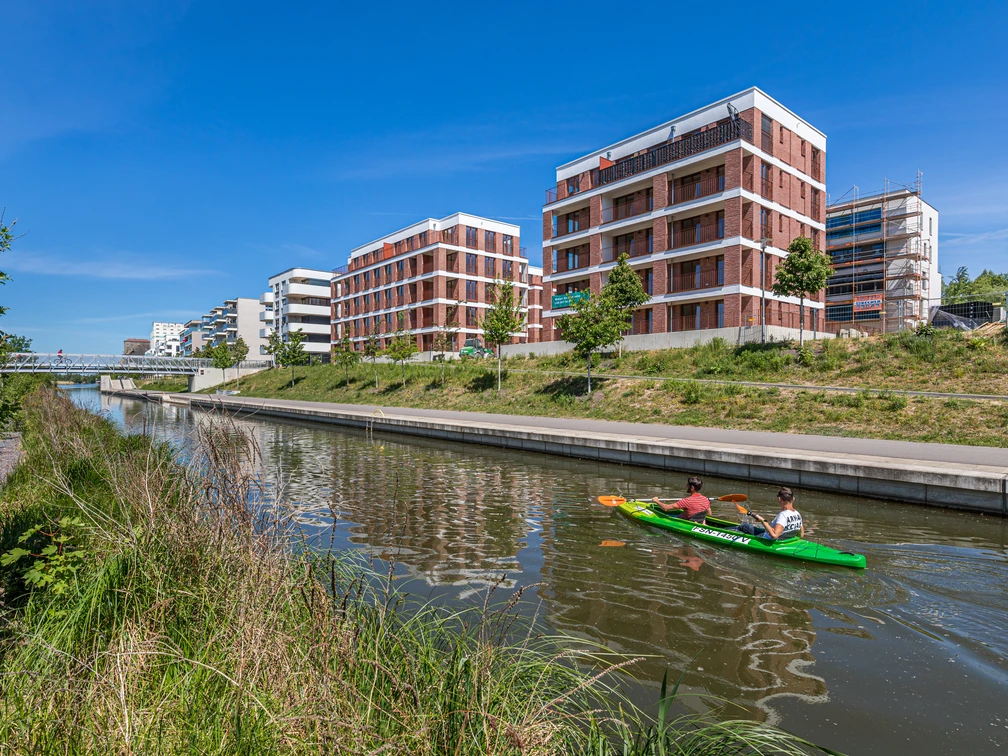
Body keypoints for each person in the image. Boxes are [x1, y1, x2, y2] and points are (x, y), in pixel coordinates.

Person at [738, 487, 804, 540]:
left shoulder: (783, 515)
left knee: (744, 526)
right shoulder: (797, 514)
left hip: (766, 539)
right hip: (782, 539)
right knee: (751, 527)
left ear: (779, 499)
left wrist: (762, 520)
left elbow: (774, 535)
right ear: (793, 499)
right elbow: (801, 534)